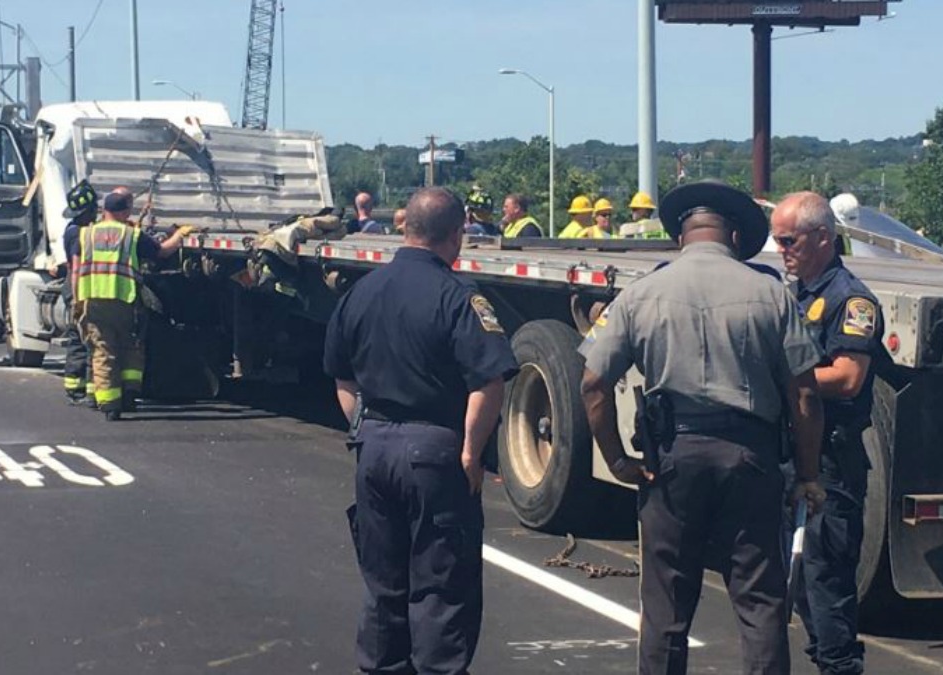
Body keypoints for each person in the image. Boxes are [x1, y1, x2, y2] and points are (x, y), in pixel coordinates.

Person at [579, 180, 828, 675]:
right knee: (760, 604)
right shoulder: (770, 294)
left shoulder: (640, 293)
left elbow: (592, 385)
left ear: (679, 237)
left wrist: (617, 460)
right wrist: (807, 473)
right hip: (750, 459)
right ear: (734, 237)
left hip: (672, 462)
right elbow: (804, 393)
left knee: (667, 605)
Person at [325, 187, 517, 674]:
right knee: (440, 589)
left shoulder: (361, 292)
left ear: (404, 228)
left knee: (384, 584)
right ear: (457, 235)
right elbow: (487, 383)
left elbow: (342, 378)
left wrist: (363, 429)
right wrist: (472, 453)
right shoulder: (459, 297)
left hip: (374, 446)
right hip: (433, 451)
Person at [771, 191, 883, 675]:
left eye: (789, 240)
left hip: (832, 461)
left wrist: (778, 379)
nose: (781, 250)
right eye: (777, 240)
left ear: (822, 237)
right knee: (793, 578)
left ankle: (839, 668)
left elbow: (847, 377)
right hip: (795, 452)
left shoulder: (850, 300)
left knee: (826, 580)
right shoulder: (794, 293)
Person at [72, 191, 188, 420]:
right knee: (130, 346)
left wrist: (77, 300)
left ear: (104, 210)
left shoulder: (85, 235)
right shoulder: (131, 235)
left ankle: (109, 406)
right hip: (125, 300)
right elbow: (162, 252)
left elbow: (76, 271)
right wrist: (179, 235)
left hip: (93, 300)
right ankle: (130, 394)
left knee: (104, 350)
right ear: (124, 211)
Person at [60, 180, 99, 404]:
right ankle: (83, 389)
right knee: (84, 338)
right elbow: (76, 269)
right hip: (79, 288)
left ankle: (78, 387)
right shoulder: (77, 234)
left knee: (82, 337)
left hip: (78, 286)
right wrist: (77, 300)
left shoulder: (78, 229)